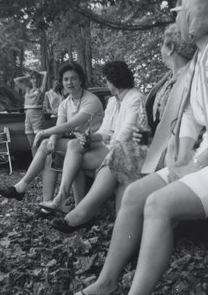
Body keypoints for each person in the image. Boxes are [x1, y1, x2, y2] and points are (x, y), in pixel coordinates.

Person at [72, 0, 208, 295]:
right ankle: (106, 281)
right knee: (135, 193)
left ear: (196, 16)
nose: (177, 17)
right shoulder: (198, 61)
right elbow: (193, 118)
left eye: (181, 9)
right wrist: (183, 160)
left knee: (158, 205)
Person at [49, 24, 197, 233]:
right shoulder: (168, 80)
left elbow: (183, 126)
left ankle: (86, 214)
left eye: (162, 46)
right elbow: (155, 128)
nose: (160, 51)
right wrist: (144, 135)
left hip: (177, 152)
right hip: (153, 148)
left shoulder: (188, 79)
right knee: (101, 151)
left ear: (171, 47)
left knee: (119, 153)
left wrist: (144, 139)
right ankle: (93, 215)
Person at [39, 61, 146, 219]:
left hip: (126, 149)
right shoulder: (112, 101)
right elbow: (105, 131)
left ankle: (75, 205)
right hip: (110, 145)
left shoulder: (135, 98)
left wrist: (104, 145)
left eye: (107, 80)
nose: (106, 83)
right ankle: (66, 198)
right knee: (75, 145)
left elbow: (126, 133)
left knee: (72, 161)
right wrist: (90, 137)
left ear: (113, 81)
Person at [0, 62, 104, 203]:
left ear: (81, 80)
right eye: (66, 79)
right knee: (49, 154)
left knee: (46, 143)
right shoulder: (65, 103)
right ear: (62, 82)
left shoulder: (91, 100)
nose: (69, 82)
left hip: (94, 143)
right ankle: (46, 202)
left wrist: (43, 133)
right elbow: (60, 125)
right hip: (75, 143)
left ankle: (21, 187)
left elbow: (70, 125)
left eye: (74, 78)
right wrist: (53, 138)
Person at [14, 70, 47, 156]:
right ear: (30, 80)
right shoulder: (28, 89)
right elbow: (16, 80)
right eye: (33, 79)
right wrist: (28, 77)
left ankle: (43, 163)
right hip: (27, 115)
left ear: (40, 80)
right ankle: (35, 164)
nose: (35, 80)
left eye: (37, 79)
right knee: (32, 143)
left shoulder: (41, 89)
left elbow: (45, 73)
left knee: (39, 142)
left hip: (37, 115)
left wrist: (36, 73)